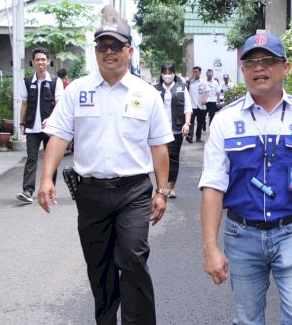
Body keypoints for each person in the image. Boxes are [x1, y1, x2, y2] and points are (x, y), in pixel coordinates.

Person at [37, 20, 174, 324]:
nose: (109, 52)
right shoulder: (78, 91)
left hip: (134, 192)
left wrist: (162, 191)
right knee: (100, 267)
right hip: (91, 194)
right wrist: (46, 178)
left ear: (130, 51)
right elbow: (58, 136)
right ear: (96, 51)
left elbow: (159, 146)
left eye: (116, 46)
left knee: (133, 258)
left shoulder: (146, 94)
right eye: (102, 46)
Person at [199, 33, 292, 325]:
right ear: (243, 70)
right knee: (248, 320)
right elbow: (213, 184)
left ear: (285, 67)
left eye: (268, 60)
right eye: (251, 62)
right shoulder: (224, 120)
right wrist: (211, 248)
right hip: (241, 234)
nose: (259, 68)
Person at [16, 47, 64, 203]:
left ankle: (50, 189)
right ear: (33, 62)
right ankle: (27, 191)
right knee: (31, 159)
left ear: (48, 62)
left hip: (50, 128)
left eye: (43, 59)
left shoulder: (56, 82)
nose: (41, 62)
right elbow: (24, 104)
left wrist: (52, 120)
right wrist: (22, 122)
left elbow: (60, 104)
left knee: (51, 159)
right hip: (31, 127)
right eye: (38, 60)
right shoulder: (27, 81)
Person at [154, 62, 192, 198]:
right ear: (161, 74)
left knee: (173, 159)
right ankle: (161, 187)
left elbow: (188, 107)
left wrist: (186, 124)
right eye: (165, 72)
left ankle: (172, 187)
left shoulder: (181, 88)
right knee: (160, 159)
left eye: (170, 72)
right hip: (159, 130)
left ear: (174, 74)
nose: (167, 75)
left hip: (176, 129)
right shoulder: (155, 89)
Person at [186, 66, 208, 143]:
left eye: (196, 71)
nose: (195, 73)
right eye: (194, 71)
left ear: (200, 72)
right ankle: (190, 137)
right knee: (191, 122)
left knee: (200, 122)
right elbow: (186, 90)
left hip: (201, 105)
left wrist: (205, 99)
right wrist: (189, 81)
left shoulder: (204, 82)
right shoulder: (190, 82)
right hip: (192, 105)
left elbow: (207, 92)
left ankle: (198, 137)